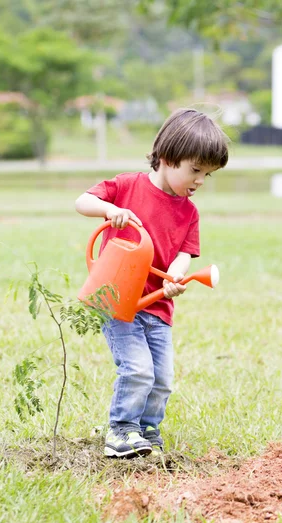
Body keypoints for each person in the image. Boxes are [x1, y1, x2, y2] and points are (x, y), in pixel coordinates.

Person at [75, 108, 229, 458]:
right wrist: (107, 210)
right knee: (138, 370)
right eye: (195, 170)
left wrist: (176, 273)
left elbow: (185, 254)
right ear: (167, 157)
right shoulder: (127, 187)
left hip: (157, 306)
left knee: (162, 379)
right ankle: (121, 430)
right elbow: (81, 201)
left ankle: (147, 430)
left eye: (207, 173)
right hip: (117, 301)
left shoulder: (189, 212)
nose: (200, 180)